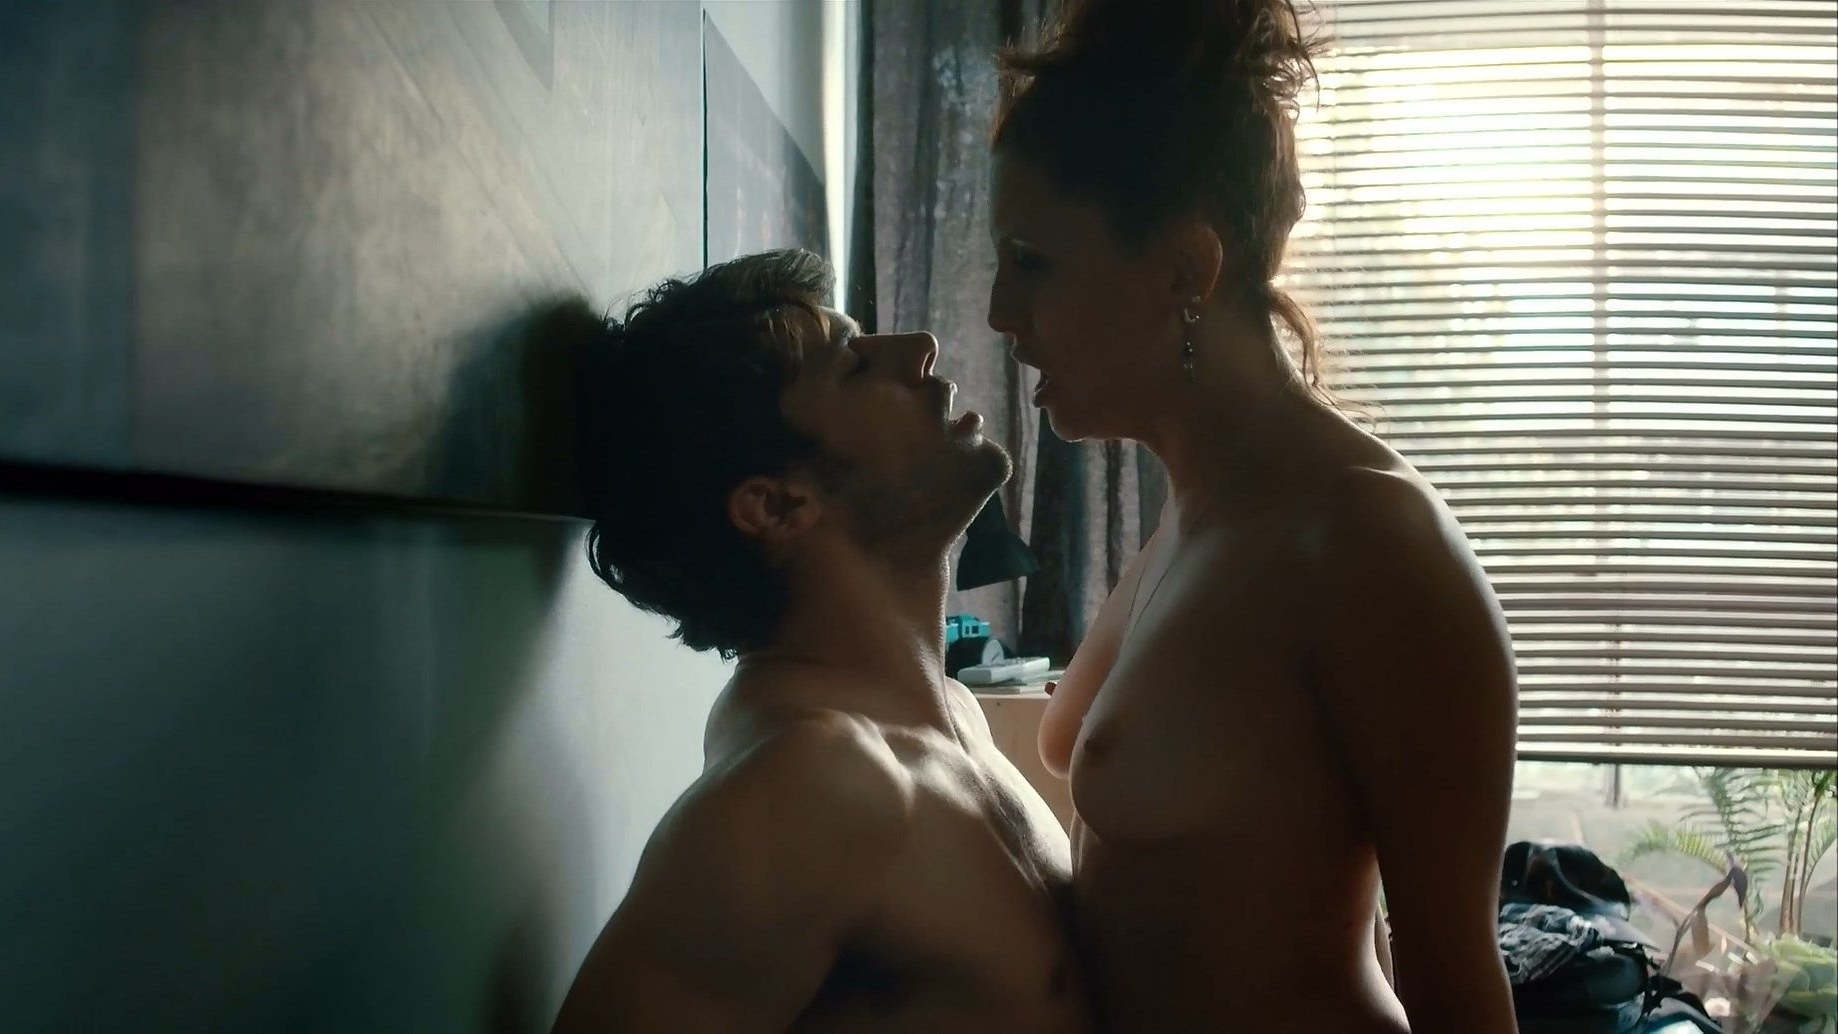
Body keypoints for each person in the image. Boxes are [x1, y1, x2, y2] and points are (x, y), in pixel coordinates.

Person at [986, 1, 1520, 1031]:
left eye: (1032, 260)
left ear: (1188, 270)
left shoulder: (1369, 541)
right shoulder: (1196, 510)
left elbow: (1457, 987)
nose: (1001, 312)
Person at [551, 249, 1092, 1032]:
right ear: (776, 506)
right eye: (852, 363)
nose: (919, 348)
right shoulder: (809, 784)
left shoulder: (952, 713)